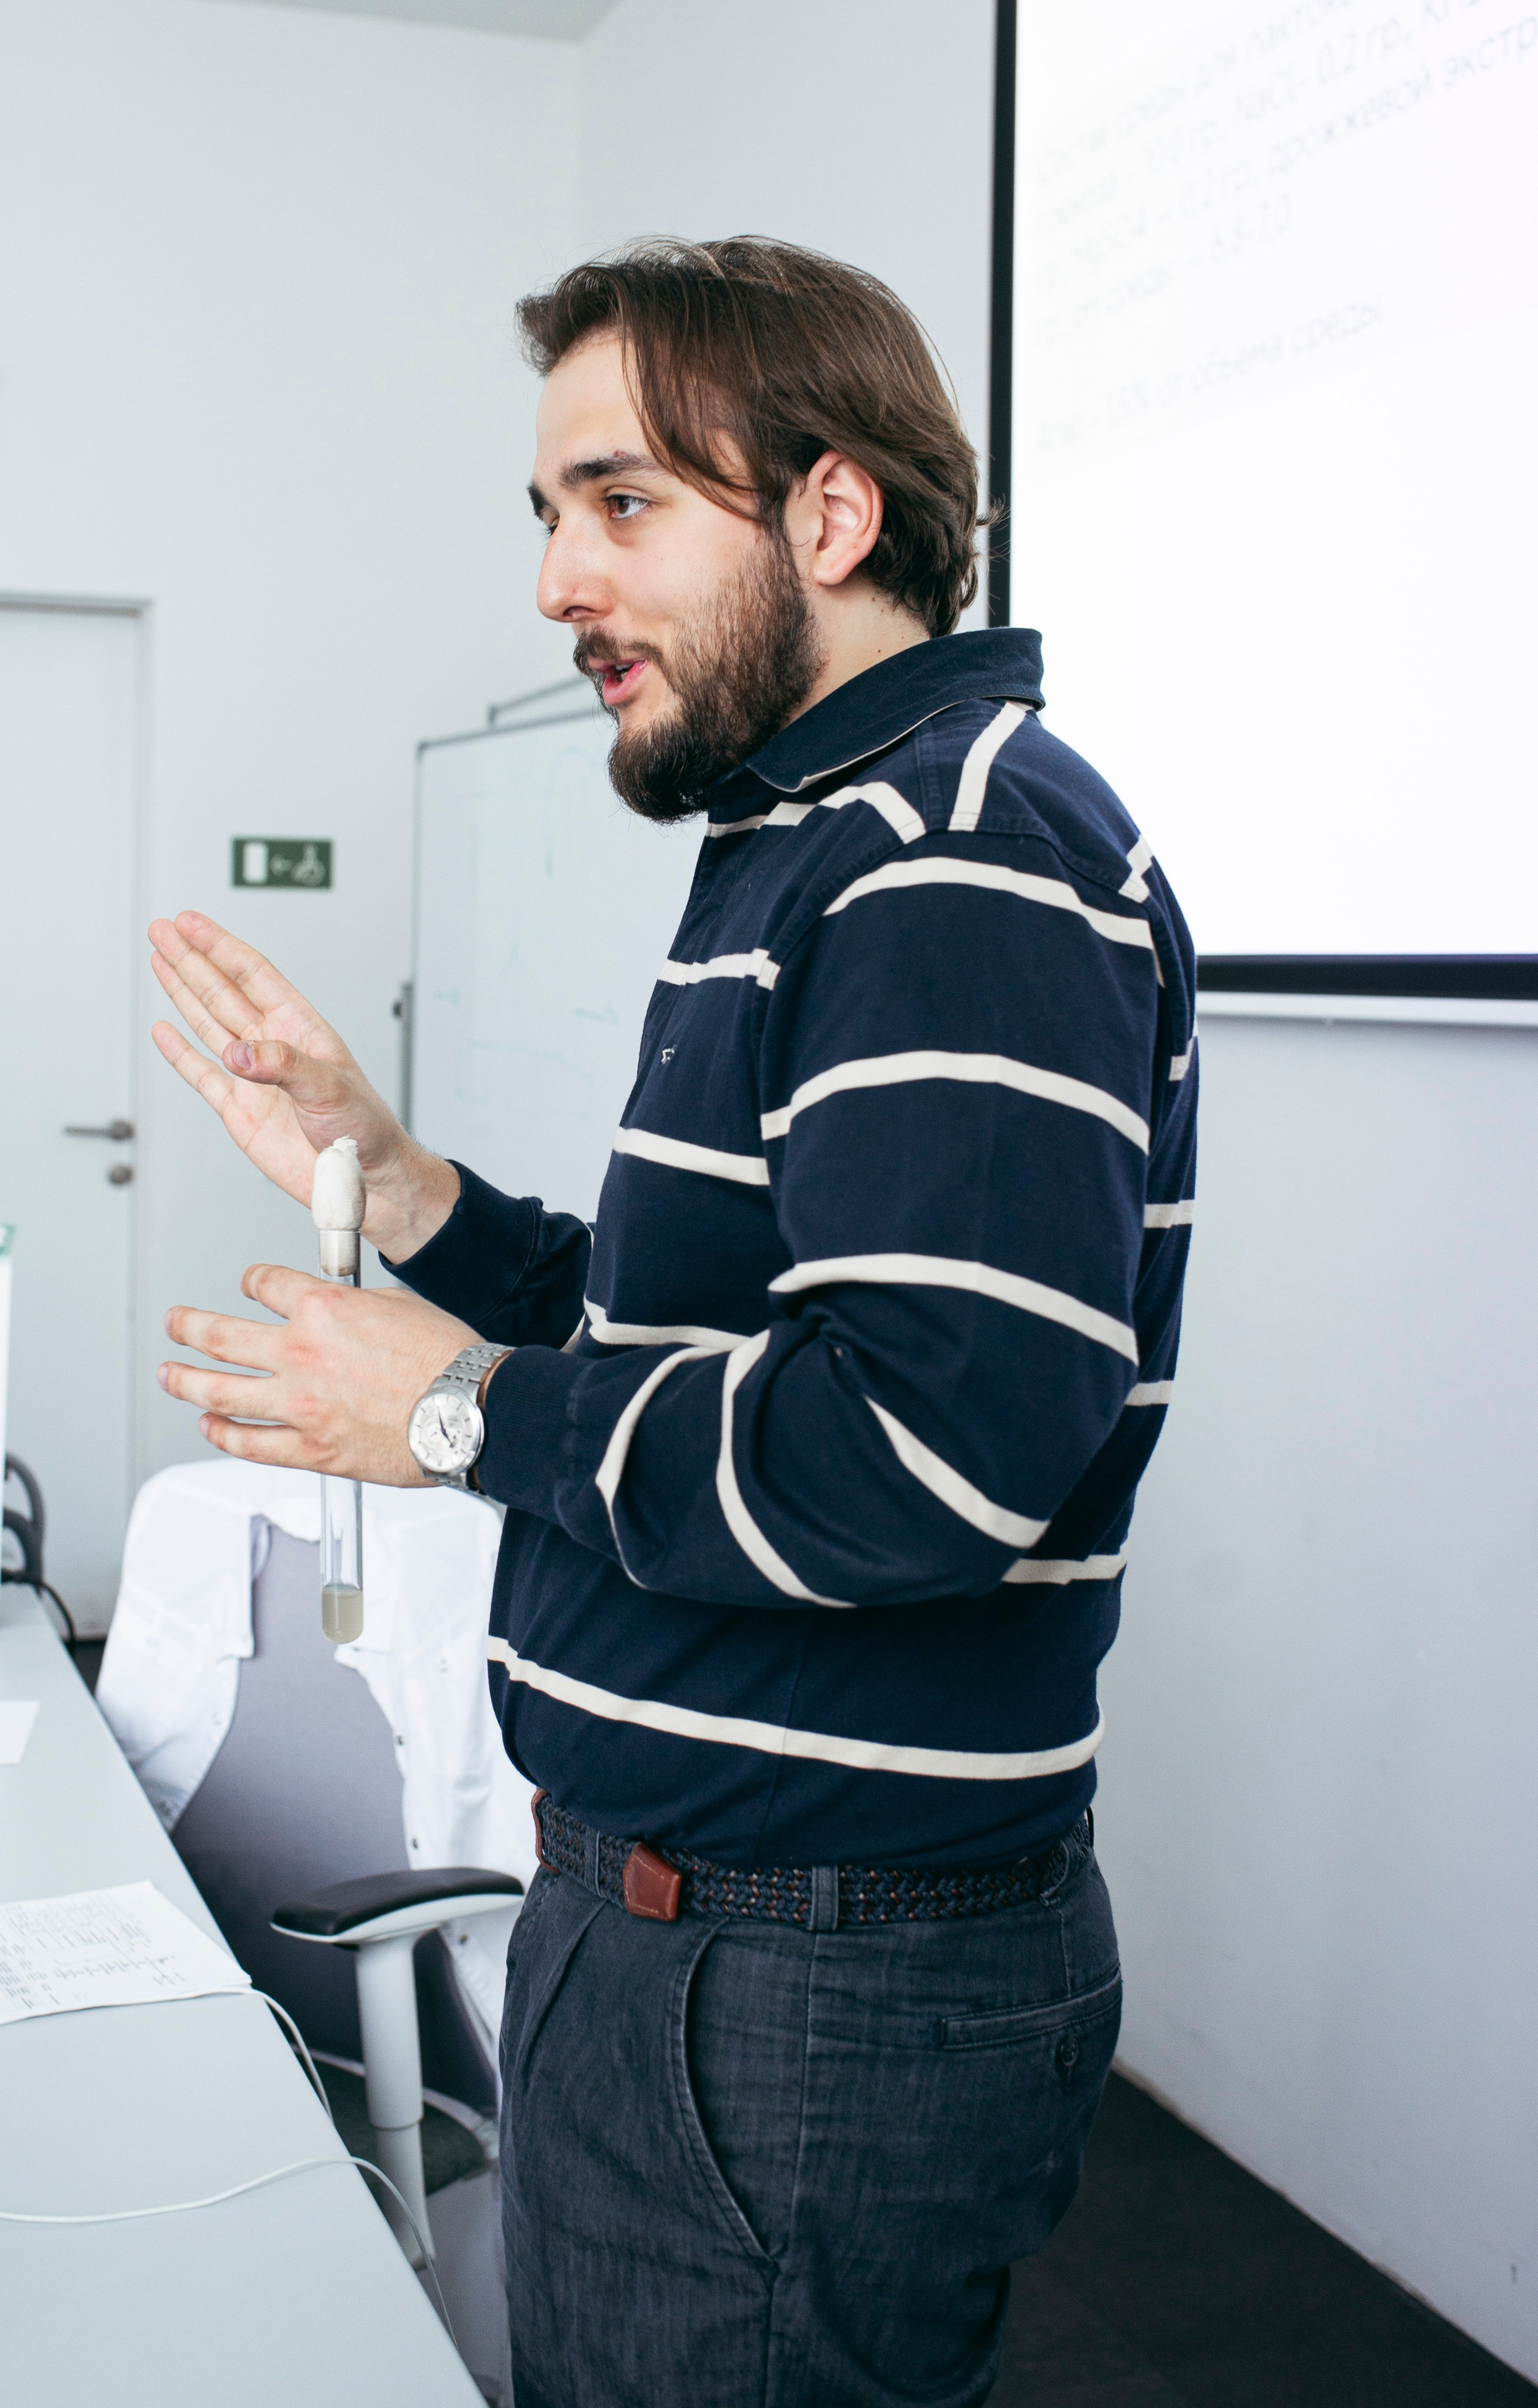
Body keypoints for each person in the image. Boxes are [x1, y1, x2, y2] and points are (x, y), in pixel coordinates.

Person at [151, 237, 1198, 2408]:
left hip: (801, 1978)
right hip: (694, 1937)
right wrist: (400, 1179)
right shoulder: (814, 842)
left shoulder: (956, 863)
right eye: (548, 515)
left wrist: (451, 1418)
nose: (557, 581)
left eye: (622, 504)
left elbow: (922, 1458)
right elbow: (678, 1334)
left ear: (830, 514)